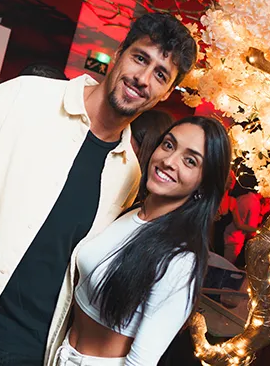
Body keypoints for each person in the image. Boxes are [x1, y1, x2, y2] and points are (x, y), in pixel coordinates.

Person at [0, 12, 197, 366]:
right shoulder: (22, 99)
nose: (143, 79)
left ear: (166, 94)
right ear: (118, 54)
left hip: (37, 353)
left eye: (160, 75)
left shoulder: (128, 171)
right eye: (140, 58)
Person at [52, 116, 232, 365]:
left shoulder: (180, 259)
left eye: (190, 161)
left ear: (204, 183)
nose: (169, 161)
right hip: (61, 351)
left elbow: (142, 361)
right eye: (169, 145)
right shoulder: (130, 212)